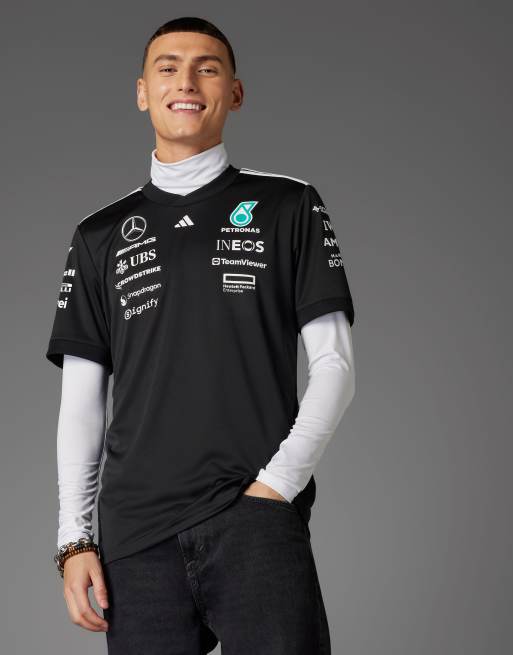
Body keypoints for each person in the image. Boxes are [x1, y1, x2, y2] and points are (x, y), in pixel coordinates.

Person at [45, 16, 356, 654]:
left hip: (255, 518)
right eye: (168, 68)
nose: (186, 81)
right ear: (142, 92)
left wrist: (277, 487)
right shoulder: (99, 236)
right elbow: (81, 403)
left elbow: (335, 367)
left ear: (234, 93)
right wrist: (74, 540)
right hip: (136, 541)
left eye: (206, 68)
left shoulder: (288, 205)